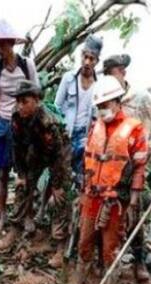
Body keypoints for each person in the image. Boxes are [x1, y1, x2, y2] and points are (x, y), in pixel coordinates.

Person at [68, 76, 148, 284]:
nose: (102, 110)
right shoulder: (96, 127)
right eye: (99, 106)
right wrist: (83, 191)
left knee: (110, 244)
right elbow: (87, 161)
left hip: (116, 199)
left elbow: (140, 167)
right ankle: (81, 275)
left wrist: (133, 199)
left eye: (105, 105)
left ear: (117, 101)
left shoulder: (134, 129)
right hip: (92, 194)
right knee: (85, 238)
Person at [103, 53, 151, 282]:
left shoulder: (141, 99)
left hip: (136, 166)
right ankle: (109, 259)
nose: (113, 79)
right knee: (109, 213)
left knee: (134, 212)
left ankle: (139, 260)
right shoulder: (107, 101)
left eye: (115, 73)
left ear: (123, 73)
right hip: (112, 169)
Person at [4, 80, 71, 267]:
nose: (20, 106)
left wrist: (57, 184)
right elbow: (16, 147)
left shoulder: (47, 122)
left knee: (60, 196)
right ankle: (15, 228)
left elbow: (58, 155)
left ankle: (60, 245)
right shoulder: (16, 117)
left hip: (59, 152)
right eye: (18, 101)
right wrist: (21, 174)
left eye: (25, 101)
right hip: (36, 150)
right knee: (22, 186)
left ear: (36, 101)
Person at [0, 19, 40, 233]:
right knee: (2, 174)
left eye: (4, 44)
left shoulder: (27, 65)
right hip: (3, 123)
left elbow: (36, 93)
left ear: (12, 44)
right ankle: (3, 216)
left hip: (24, 124)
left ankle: (27, 214)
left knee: (26, 173)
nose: (0, 48)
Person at [54, 35, 103, 186]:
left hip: (84, 136)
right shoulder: (69, 78)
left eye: (92, 59)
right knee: (58, 175)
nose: (87, 62)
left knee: (81, 176)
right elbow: (56, 107)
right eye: (85, 57)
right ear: (81, 56)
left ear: (97, 61)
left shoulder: (99, 84)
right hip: (66, 133)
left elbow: (98, 115)